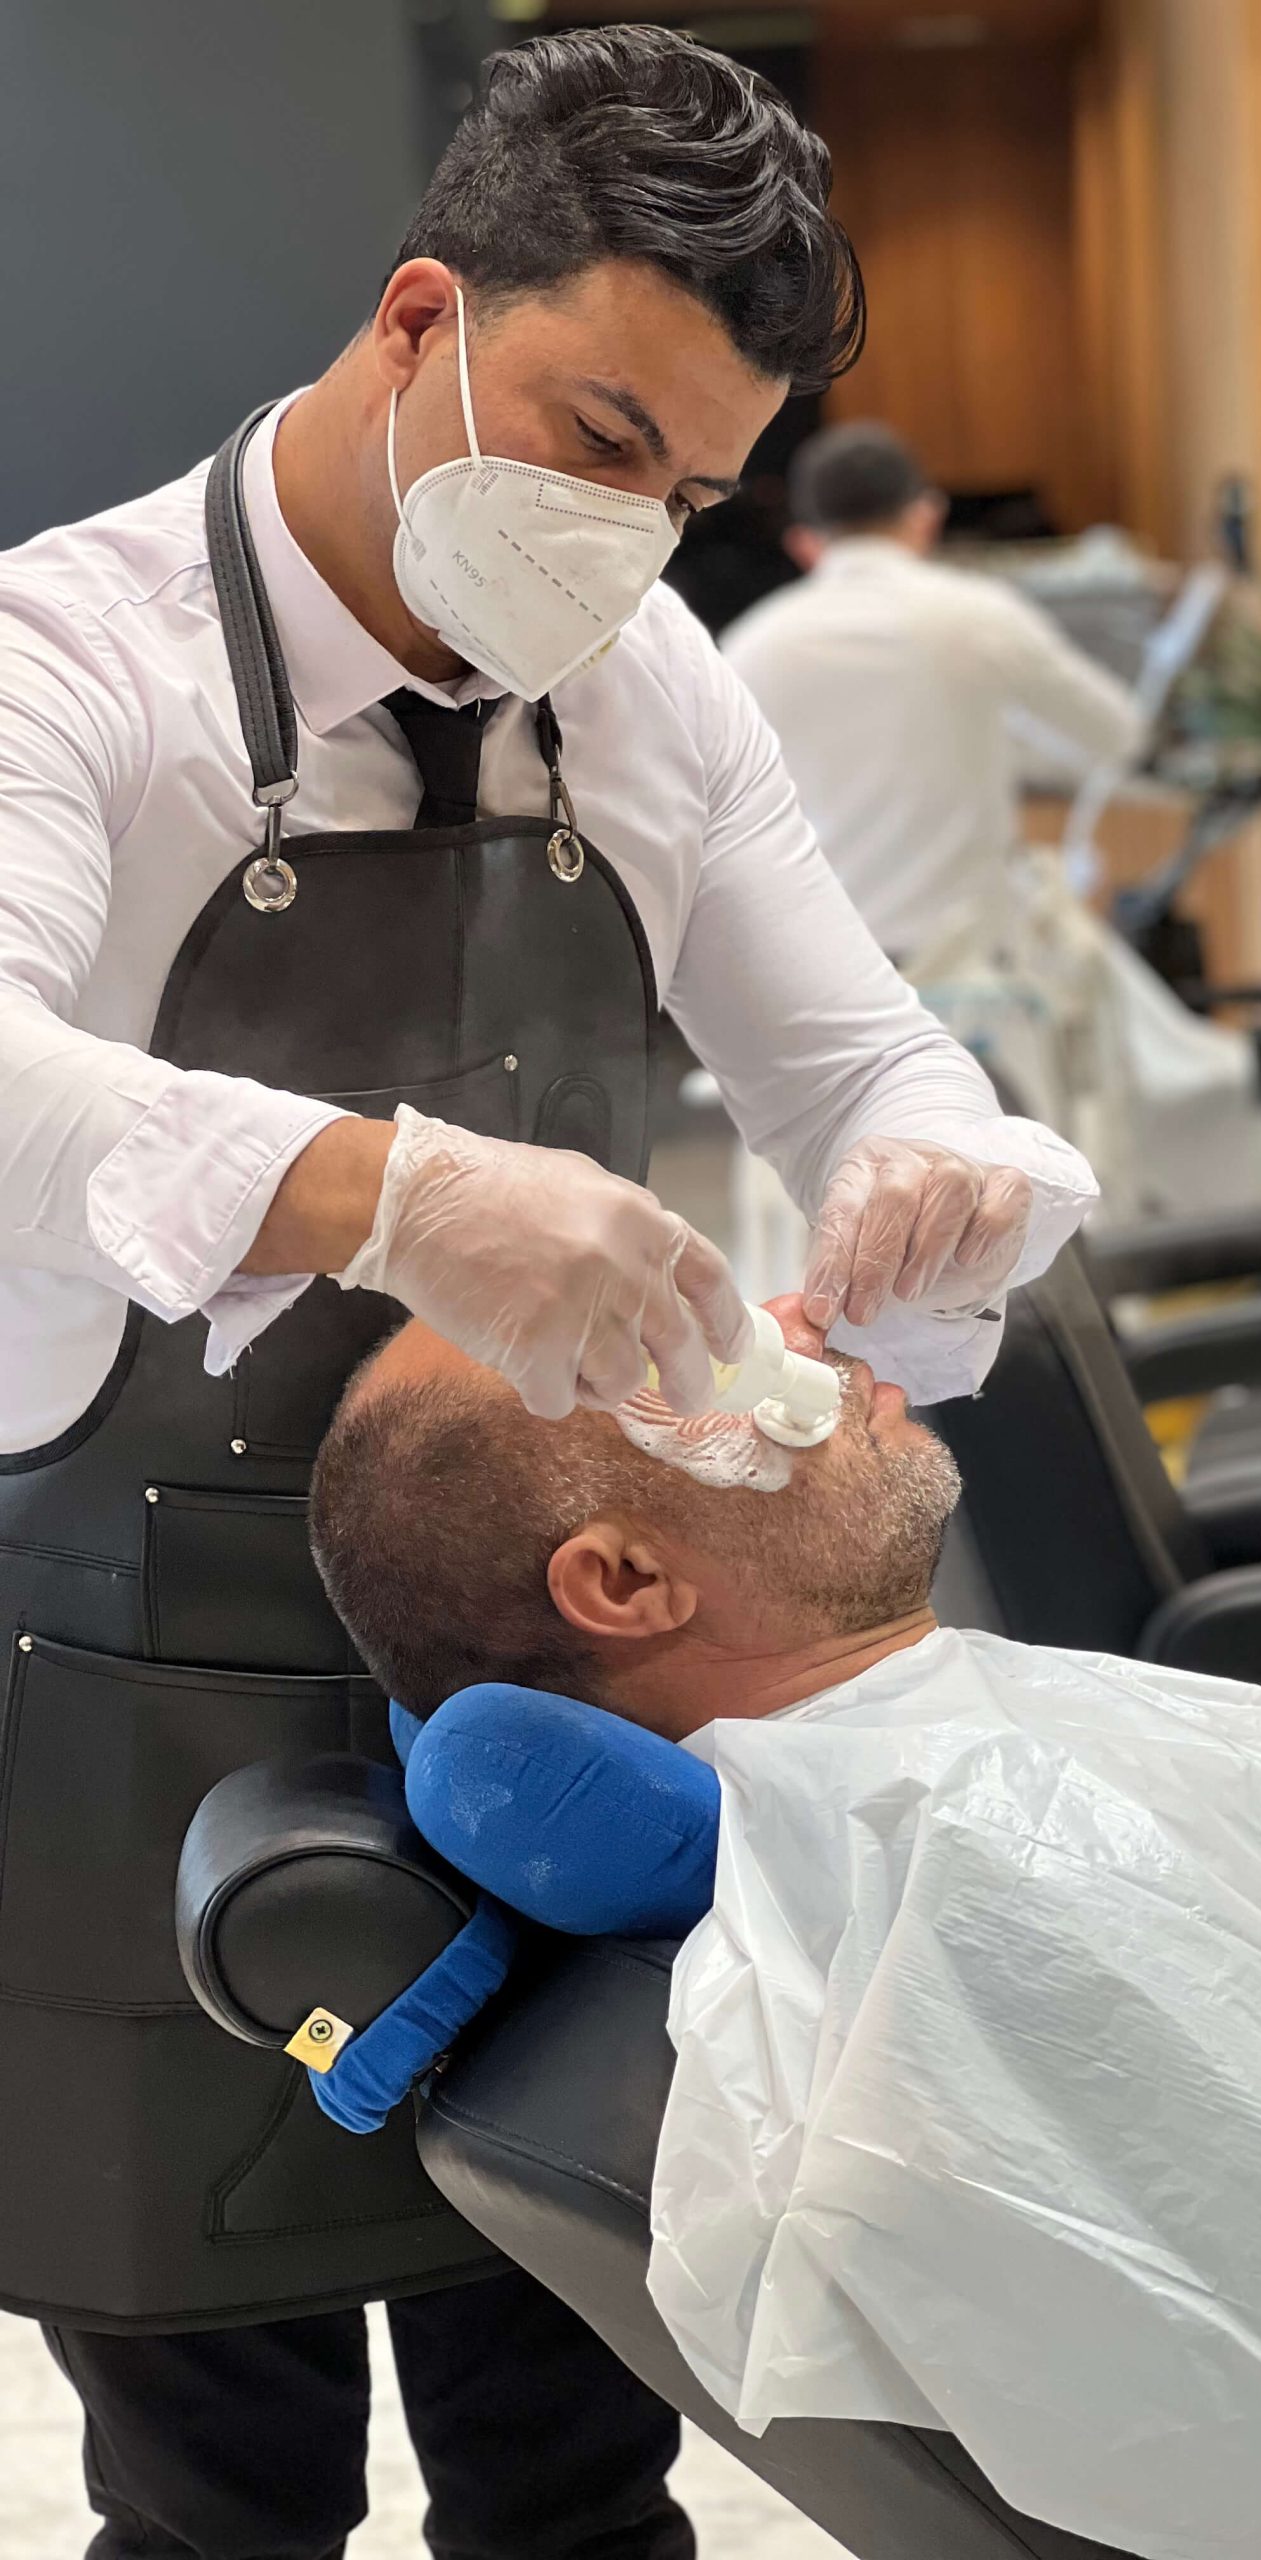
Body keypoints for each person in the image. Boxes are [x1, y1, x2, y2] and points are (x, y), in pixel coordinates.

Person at [0, 25, 1095, 2560]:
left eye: (698, 490)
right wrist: (396, 1191)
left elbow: (868, 1054)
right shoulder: (77, 662)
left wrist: (948, 1170)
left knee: (578, 2439)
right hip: (139, 1669)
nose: (637, 536)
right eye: (603, 442)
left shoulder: (646, 687)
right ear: (416, 321)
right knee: (217, 2478)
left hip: (558, 1688)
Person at [307, 1309, 1261, 2560]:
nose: (802, 1334)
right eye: (700, 1351)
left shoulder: (946, 1772)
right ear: (627, 1579)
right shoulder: (974, 1865)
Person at [721, 420, 1147, 967]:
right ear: (926, 516)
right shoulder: (978, 616)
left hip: (822, 963)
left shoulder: (751, 646)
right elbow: (1117, 735)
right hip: (973, 965)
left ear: (804, 543)